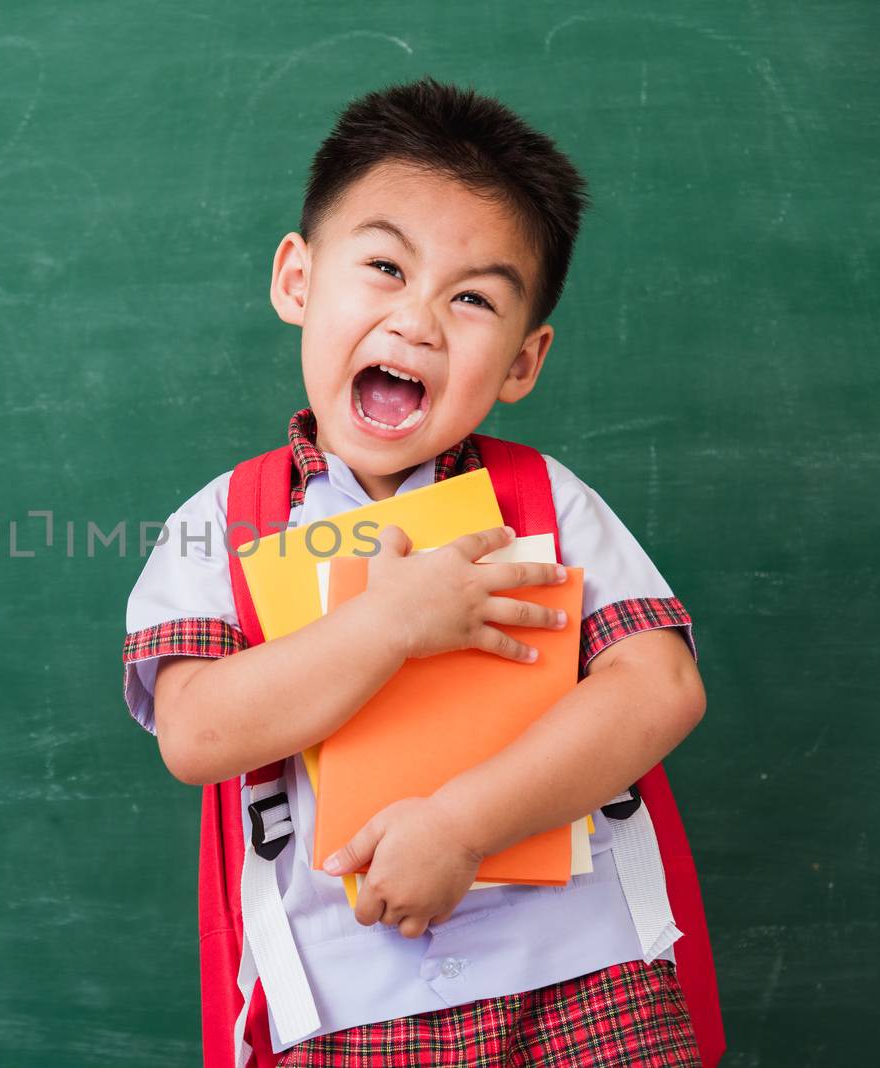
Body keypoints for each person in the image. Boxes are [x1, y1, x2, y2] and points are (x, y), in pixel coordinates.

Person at [121, 78, 711, 1066]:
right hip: (343, 1005)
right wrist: (388, 623)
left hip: (585, 974)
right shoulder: (218, 524)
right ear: (297, 281)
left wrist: (463, 826)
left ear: (523, 363)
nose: (420, 321)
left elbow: (660, 686)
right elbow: (197, 734)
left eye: (472, 297)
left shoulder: (542, 500)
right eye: (385, 267)